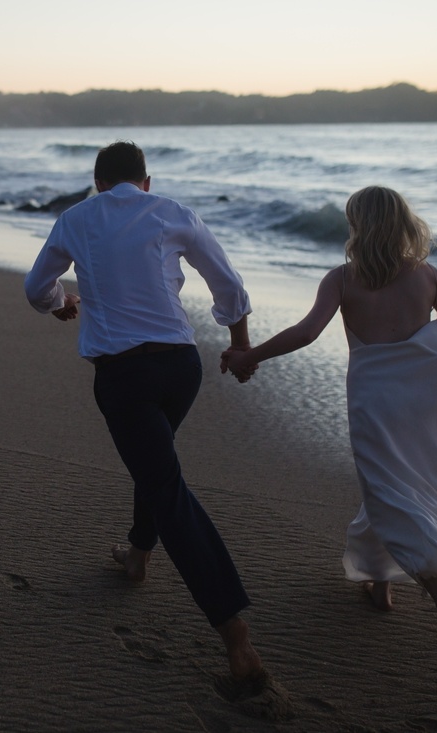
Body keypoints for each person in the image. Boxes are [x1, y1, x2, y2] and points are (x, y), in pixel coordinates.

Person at [222, 185, 437, 651]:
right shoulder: (427, 276)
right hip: (423, 404)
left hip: (374, 400)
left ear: (359, 227)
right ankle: (381, 587)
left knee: (385, 486)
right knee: (410, 485)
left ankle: (434, 579)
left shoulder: (341, 279)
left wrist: (250, 355)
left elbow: (305, 333)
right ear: (403, 225)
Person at [24, 141, 265, 686]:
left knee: (166, 485)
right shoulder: (173, 211)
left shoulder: (76, 217)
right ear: (146, 181)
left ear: (98, 184)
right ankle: (137, 555)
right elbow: (227, 282)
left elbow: (36, 286)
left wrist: (63, 304)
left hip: (125, 378)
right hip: (182, 368)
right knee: (156, 466)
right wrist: (241, 347)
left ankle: (236, 635)